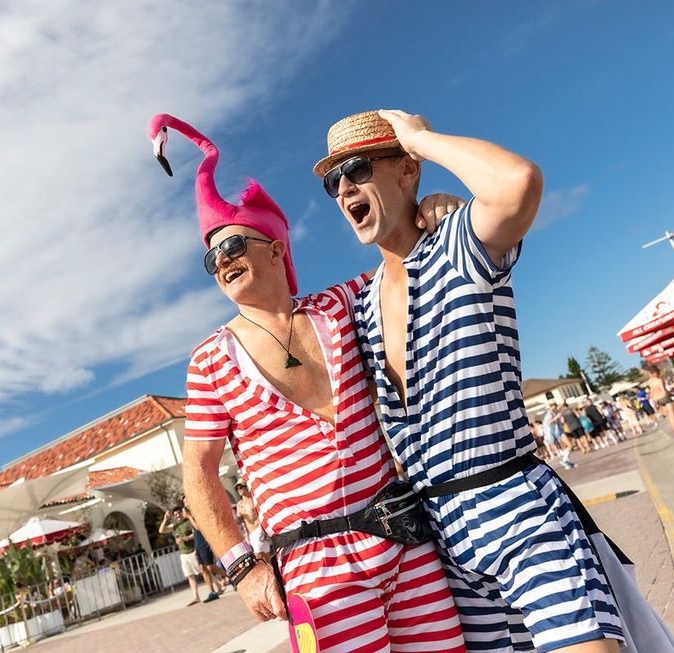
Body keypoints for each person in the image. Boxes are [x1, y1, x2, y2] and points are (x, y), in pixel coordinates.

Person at [150, 112, 466, 653]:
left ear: (275, 249)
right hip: (314, 570)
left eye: (231, 246)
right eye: (211, 257)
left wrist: (431, 212)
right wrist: (242, 566)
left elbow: (405, 266)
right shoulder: (210, 360)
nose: (220, 261)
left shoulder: (340, 306)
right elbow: (198, 474)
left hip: (402, 538)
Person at [316, 109, 627, 652]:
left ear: (408, 170)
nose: (345, 189)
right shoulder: (361, 306)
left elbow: (518, 183)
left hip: (516, 508)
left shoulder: (457, 244)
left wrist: (421, 138)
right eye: (333, 182)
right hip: (443, 542)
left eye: (359, 168)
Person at [158, 505, 206, 606]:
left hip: (193, 551)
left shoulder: (188, 522)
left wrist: (185, 538)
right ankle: (195, 596)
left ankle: (218, 585)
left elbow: (196, 533)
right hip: (183, 554)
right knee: (189, 575)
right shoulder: (174, 526)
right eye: (175, 514)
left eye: (179, 513)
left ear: (182, 513)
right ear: (174, 516)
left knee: (203, 571)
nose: (178, 515)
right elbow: (161, 530)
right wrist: (165, 519)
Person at [184, 504, 226, 601]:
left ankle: (231, 578)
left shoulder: (197, 511)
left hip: (204, 542)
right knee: (203, 569)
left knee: (210, 567)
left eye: (186, 500)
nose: (185, 503)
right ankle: (212, 592)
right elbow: (194, 531)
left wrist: (190, 517)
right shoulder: (190, 513)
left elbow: (198, 527)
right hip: (198, 544)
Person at [233, 481, 271, 564]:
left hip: (259, 530)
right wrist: (234, 518)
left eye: (240, 487)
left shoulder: (253, 500)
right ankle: (275, 571)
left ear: (246, 487)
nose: (239, 490)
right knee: (265, 558)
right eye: (237, 488)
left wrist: (264, 530)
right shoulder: (240, 504)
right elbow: (239, 521)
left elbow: (262, 514)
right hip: (250, 535)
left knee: (258, 556)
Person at [646, 365, 674, 440]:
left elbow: (653, 391)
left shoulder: (650, 381)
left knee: (668, 416)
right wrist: (670, 393)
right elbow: (664, 391)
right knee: (672, 415)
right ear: (655, 372)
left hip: (658, 399)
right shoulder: (659, 380)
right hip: (665, 398)